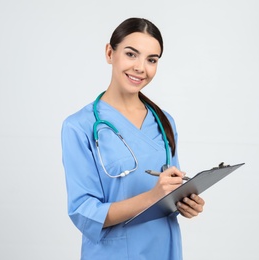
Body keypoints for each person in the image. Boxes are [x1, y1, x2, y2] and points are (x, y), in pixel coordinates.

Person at [61, 17, 205, 259]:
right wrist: (152, 196)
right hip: (113, 252)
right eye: (131, 54)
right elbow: (84, 214)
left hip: (164, 248)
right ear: (110, 53)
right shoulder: (79, 126)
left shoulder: (164, 121)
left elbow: (170, 189)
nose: (141, 67)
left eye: (151, 60)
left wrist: (185, 202)